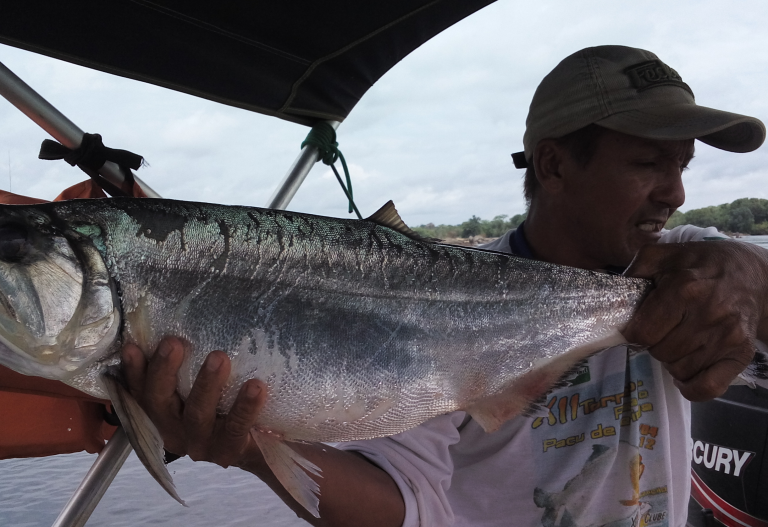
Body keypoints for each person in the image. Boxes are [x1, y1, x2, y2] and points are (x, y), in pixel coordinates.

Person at [122, 45, 768, 527]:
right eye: (649, 162)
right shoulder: (430, 297)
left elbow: (740, 283)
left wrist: (746, 269)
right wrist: (254, 452)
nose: (676, 192)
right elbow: (407, 503)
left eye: (682, 165)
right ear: (554, 164)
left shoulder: (681, 267)